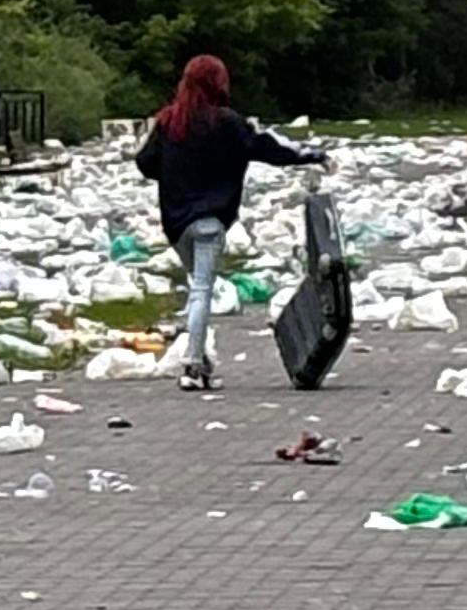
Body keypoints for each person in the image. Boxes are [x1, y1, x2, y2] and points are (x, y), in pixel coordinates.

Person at [132, 55, 326, 390]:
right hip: (211, 220)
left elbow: (146, 163)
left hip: (177, 223)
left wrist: (175, 171)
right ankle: (192, 364)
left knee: (197, 287)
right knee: (202, 289)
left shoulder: (169, 122)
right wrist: (312, 155)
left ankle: (200, 359)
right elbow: (266, 148)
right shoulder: (228, 123)